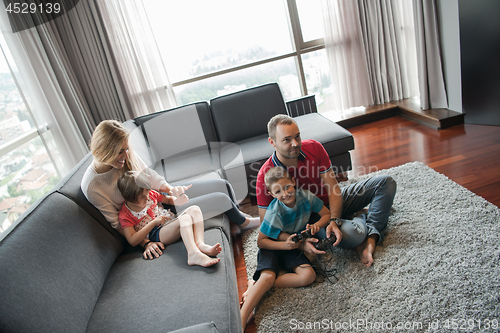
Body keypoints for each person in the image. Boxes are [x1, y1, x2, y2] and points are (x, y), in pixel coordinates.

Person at [81, 120, 260, 259]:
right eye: (121, 152)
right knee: (221, 198)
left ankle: (237, 217)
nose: (126, 156)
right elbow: (119, 224)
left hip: (159, 198)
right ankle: (245, 223)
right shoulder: (92, 186)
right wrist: (146, 243)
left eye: (127, 149)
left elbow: (149, 176)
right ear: (105, 150)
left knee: (222, 184)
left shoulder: (125, 155)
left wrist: (171, 189)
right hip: (155, 216)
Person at [256, 114, 397, 267]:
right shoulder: (265, 175)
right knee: (355, 234)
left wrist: (334, 220)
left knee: (386, 183)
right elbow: (267, 224)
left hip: (332, 201)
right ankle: (363, 218)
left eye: (297, 136)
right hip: (311, 220)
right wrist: (301, 242)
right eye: (287, 140)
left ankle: (371, 239)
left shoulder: (314, 147)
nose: (295, 143)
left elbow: (333, 188)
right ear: (273, 142)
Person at [240, 166, 331, 330]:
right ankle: (241, 317)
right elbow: (261, 242)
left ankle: (256, 285)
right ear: (272, 194)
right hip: (272, 246)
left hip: (292, 244)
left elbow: (326, 214)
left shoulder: (306, 197)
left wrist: (316, 226)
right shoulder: (274, 211)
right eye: (278, 191)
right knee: (267, 277)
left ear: (293, 182)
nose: (285, 193)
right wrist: (284, 245)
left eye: (287, 186)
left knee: (308, 276)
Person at [117, 171, 220, 267]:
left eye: (147, 193)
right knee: (185, 219)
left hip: (169, 222)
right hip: (157, 233)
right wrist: (153, 223)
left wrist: (178, 200)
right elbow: (132, 240)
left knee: (195, 209)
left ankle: (200, 244)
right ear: (129, 198)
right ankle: (193, 254)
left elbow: (167, 199)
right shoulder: (125, 215)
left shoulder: (151, 194)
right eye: (142, 197)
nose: (147, 198)